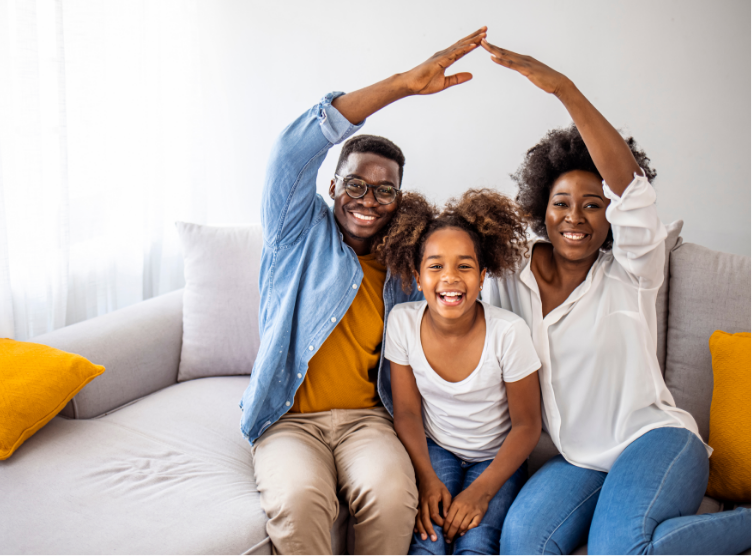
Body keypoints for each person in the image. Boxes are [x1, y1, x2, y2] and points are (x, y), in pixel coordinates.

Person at [480, 40, 752, 555]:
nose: (575, 217)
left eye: (592, 205)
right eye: (562, 203)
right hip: (578, 460)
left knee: (619, 551)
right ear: (542, 208)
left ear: (610, 217)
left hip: (656, 442)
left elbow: (631, 191)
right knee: (522, 543)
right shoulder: (510, 274)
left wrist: (565, 90)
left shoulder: (632, 271)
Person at [240, 27, 489, 556]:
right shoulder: (295, 233)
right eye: (355, 184)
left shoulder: (408, 267)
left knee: (393, 495)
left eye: (384, 190)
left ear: (399, 199)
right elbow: (290, 153)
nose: (368, 200)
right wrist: (402, 85)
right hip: (288, 420)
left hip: (367, 422)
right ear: (333, 186)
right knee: (301, 500)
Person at [378, 189, 542, 556]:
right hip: (437, 450)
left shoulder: (508, 332)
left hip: (497, 458)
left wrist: (480, 492)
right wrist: (425, 478)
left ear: (483, 277)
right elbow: (407, 412)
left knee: (476, 544)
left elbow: (528, 425)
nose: (450, 278)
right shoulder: (402, 323)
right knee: (429, 542)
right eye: (435, 266)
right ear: (417, 277)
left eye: (464, 267)